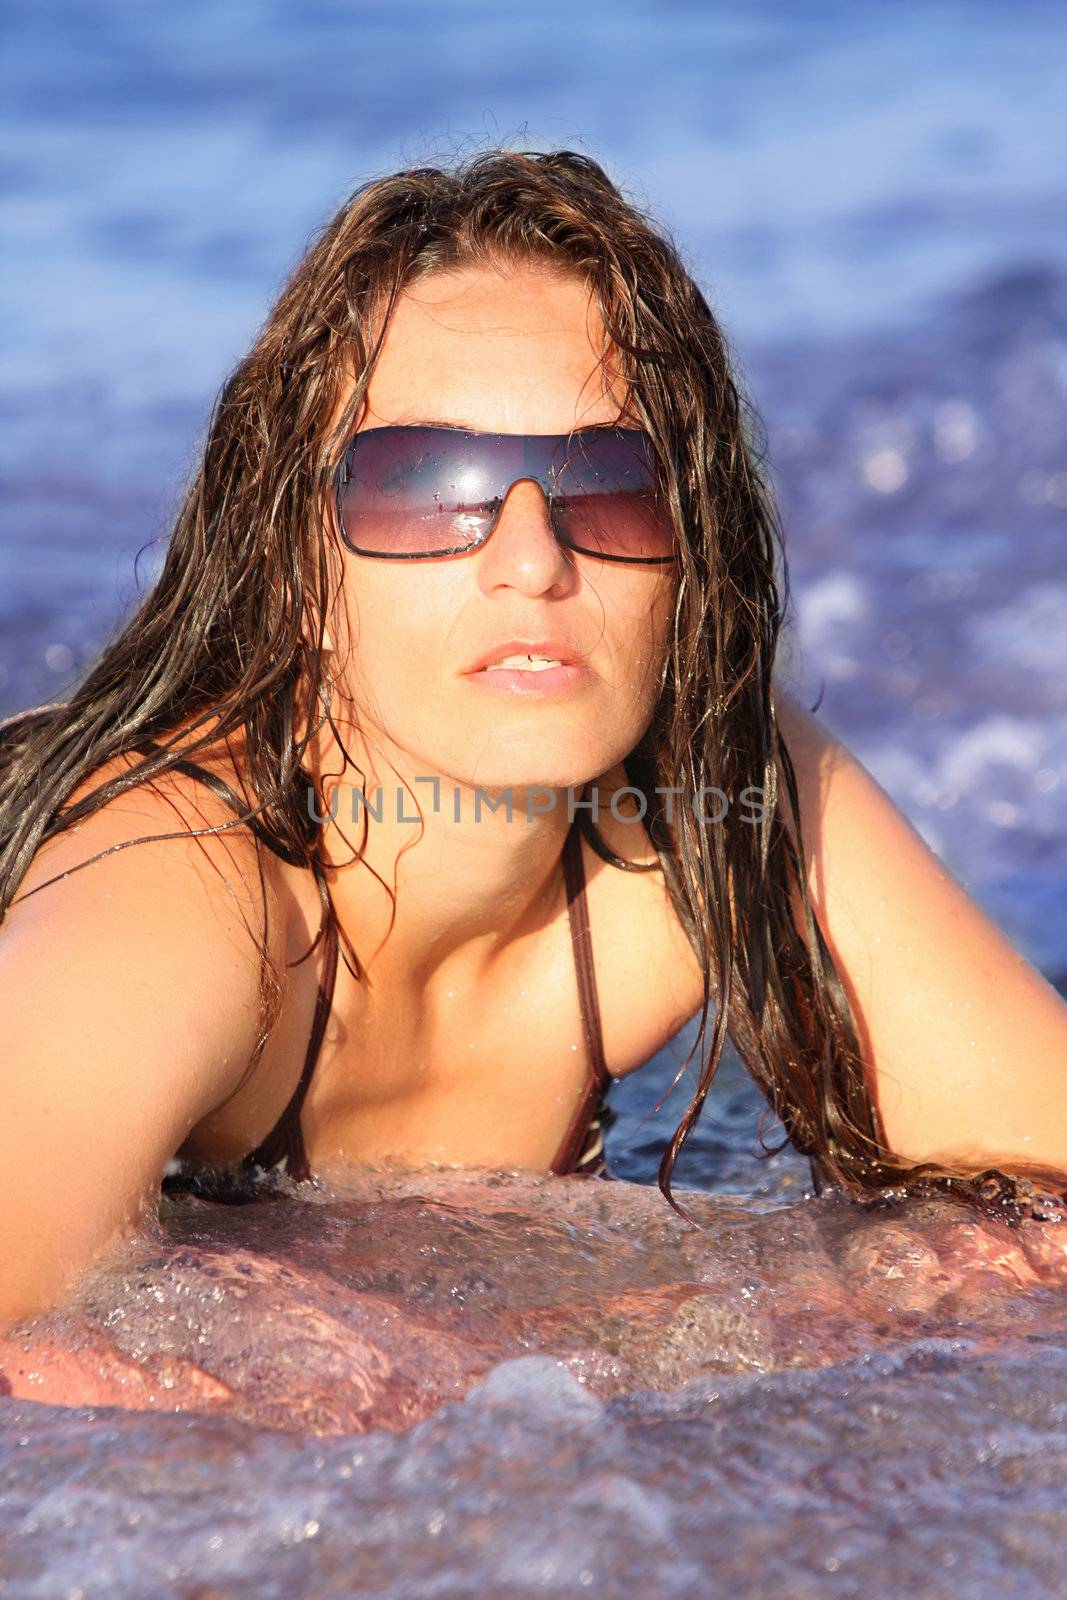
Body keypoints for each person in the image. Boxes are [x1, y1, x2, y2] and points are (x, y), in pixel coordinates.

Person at [2, 148, 1065, 1332]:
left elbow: (1040, 1187)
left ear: (691, 555)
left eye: (608, 486)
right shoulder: (181, 886)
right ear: (295, 565)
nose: (531, 561)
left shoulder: (715, 795)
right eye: (422, 487)